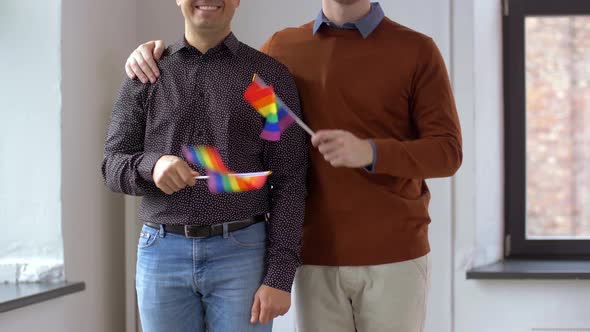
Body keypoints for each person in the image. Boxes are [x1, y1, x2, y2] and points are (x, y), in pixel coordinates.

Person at [125, 1, 462, 331]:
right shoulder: (283, 48)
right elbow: (218, 71)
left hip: (394, 256)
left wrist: (371, 153)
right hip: (315, 257)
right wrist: (151, 54)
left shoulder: (417, 50)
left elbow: (447, 152)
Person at [102, 0, 307, 331]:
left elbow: (289, 180)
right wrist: (151, 167)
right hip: (160, 256)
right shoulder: (148, 74)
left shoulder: (263, 81)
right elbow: (112, 164)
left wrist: (280, 276)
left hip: (243, 255)